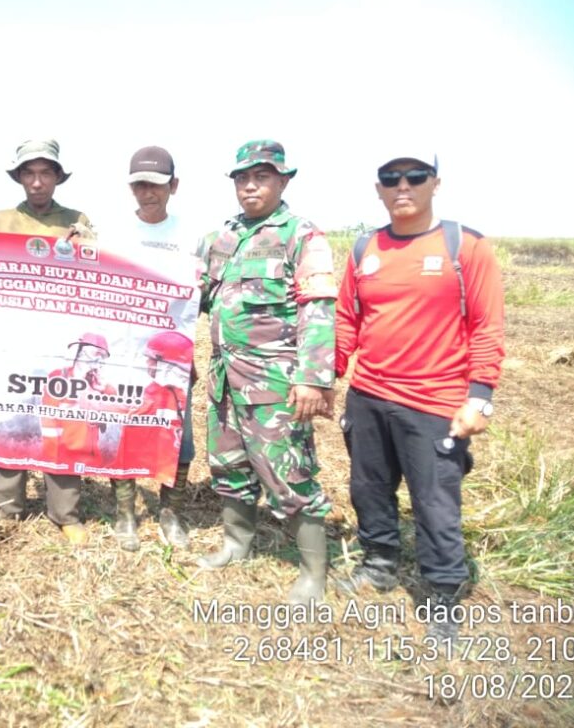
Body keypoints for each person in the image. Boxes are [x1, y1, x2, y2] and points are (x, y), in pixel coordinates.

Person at [334, 149, 504, 642]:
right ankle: (379, 564)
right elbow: (348, 319)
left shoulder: (465, 247)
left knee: (434, 502)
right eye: (391, 178)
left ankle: (443, 594)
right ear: (378, 188)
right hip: (368, 395)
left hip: (434, 402)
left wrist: (480, 397)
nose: (402, 186)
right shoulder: (364, 248)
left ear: (435, 183)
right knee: (368, 488)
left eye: (414, 176)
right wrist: (331, 375)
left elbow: (488, 327)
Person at [198, 140, 337, 606]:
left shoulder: (301, 235)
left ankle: (313, 573)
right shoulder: (223, 237)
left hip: (274, 382)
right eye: (242, 178)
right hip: (224, 377)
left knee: (289, 474)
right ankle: (237, 544)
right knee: (230, 466)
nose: (250, 186)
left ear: (282, 180)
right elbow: (191, 293)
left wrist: (313, 378)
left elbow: (317, 309)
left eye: (261, 176)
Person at [0, 139, 95, 545]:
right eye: (29, 173)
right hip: (9, 341)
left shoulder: (78, 220)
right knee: (8, 415)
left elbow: (97, 270)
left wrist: (85, 248)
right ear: (19, 177)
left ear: (58, 178)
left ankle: (64, 512)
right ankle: (6, 506)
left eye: (46, 173)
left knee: (62, 421)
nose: (37, 181)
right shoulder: (0, 221)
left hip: (59, 341)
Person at [109, 146, 198, 552]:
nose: (148, 193)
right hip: (125, 355)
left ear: (173, 186)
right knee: (123, 432)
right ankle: (125, 513)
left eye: (157, 185)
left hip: (173, 357)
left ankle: (170, 513)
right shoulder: (113, 234)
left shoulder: (191, 236)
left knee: (179, 438)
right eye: (140, 185)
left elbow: (204, 294)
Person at [40, 333, 115, 469]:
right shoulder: (59, 377)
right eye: (94, 354)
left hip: (90, 457)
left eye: (102, 356)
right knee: (68, 490)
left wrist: (105, 389)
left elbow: (120, 406)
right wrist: (53, 458)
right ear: (78, 353)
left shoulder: (97, 382)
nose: (98, 360)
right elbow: (48, 421)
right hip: (64, 456)